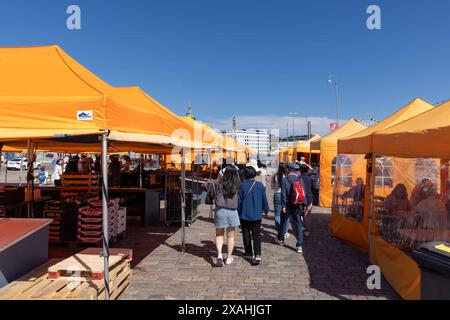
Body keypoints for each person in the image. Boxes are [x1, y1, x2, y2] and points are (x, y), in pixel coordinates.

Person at [203, 165, 242, 267]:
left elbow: (205, 185)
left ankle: (219, 255)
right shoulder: (237, 184)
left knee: (219, 235)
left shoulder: (218, 182)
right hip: (232, 211)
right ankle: (229, 257)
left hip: (220, 210)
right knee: (230, 236)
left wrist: (219, 177)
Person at [238, 166, 269, 265]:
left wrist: (238, 212)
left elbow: (239, 201)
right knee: (256, 235)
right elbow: (264, 198)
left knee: (246, 233)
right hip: (256, 214)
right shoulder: (260, 185)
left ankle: (248, 251)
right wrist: (266, 208)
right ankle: (258, 255)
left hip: (244, 213)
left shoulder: (242, 185)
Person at [276, 163, 308, 253]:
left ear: (288, 170)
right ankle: (299, 245)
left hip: (288, 204)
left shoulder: (285, 180)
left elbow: (284, 194)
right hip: (297, 204)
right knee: (298, 225)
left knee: (283, 222)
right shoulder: (299, 179)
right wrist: (304, 204)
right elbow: (303, 192)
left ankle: (280, 239)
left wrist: (284, 206)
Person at [271, 164, 289, 235]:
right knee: (286, 215)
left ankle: (279, 230)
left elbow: (272, 187)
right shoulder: (287, 176)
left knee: (277, 214)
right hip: (285, 195)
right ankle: (285, 231)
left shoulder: (274, 176)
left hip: (277, 194)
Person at [300, 164, 314, 237]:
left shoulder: (299, 178)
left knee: (302, 214)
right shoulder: (310, 178)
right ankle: (306, 229)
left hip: (301, 198)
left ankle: (303, 228)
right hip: (309, 198)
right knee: (307, 215)